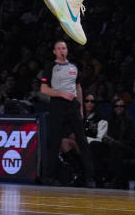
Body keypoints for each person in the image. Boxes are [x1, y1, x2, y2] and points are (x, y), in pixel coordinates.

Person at [40, 40, 96, 187]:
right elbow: (44, 89)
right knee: (55, 142)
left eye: (63, 48)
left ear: (67, 50)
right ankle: (49, 177)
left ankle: (89, 178)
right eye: (58, 48)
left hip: (73, 107)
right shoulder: (50, 67)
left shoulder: (74, 67)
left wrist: (81, 109)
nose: (61, 51)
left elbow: (78, 88)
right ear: (54, 52)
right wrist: (61, 94)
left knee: (82, 141)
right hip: (57, 106)